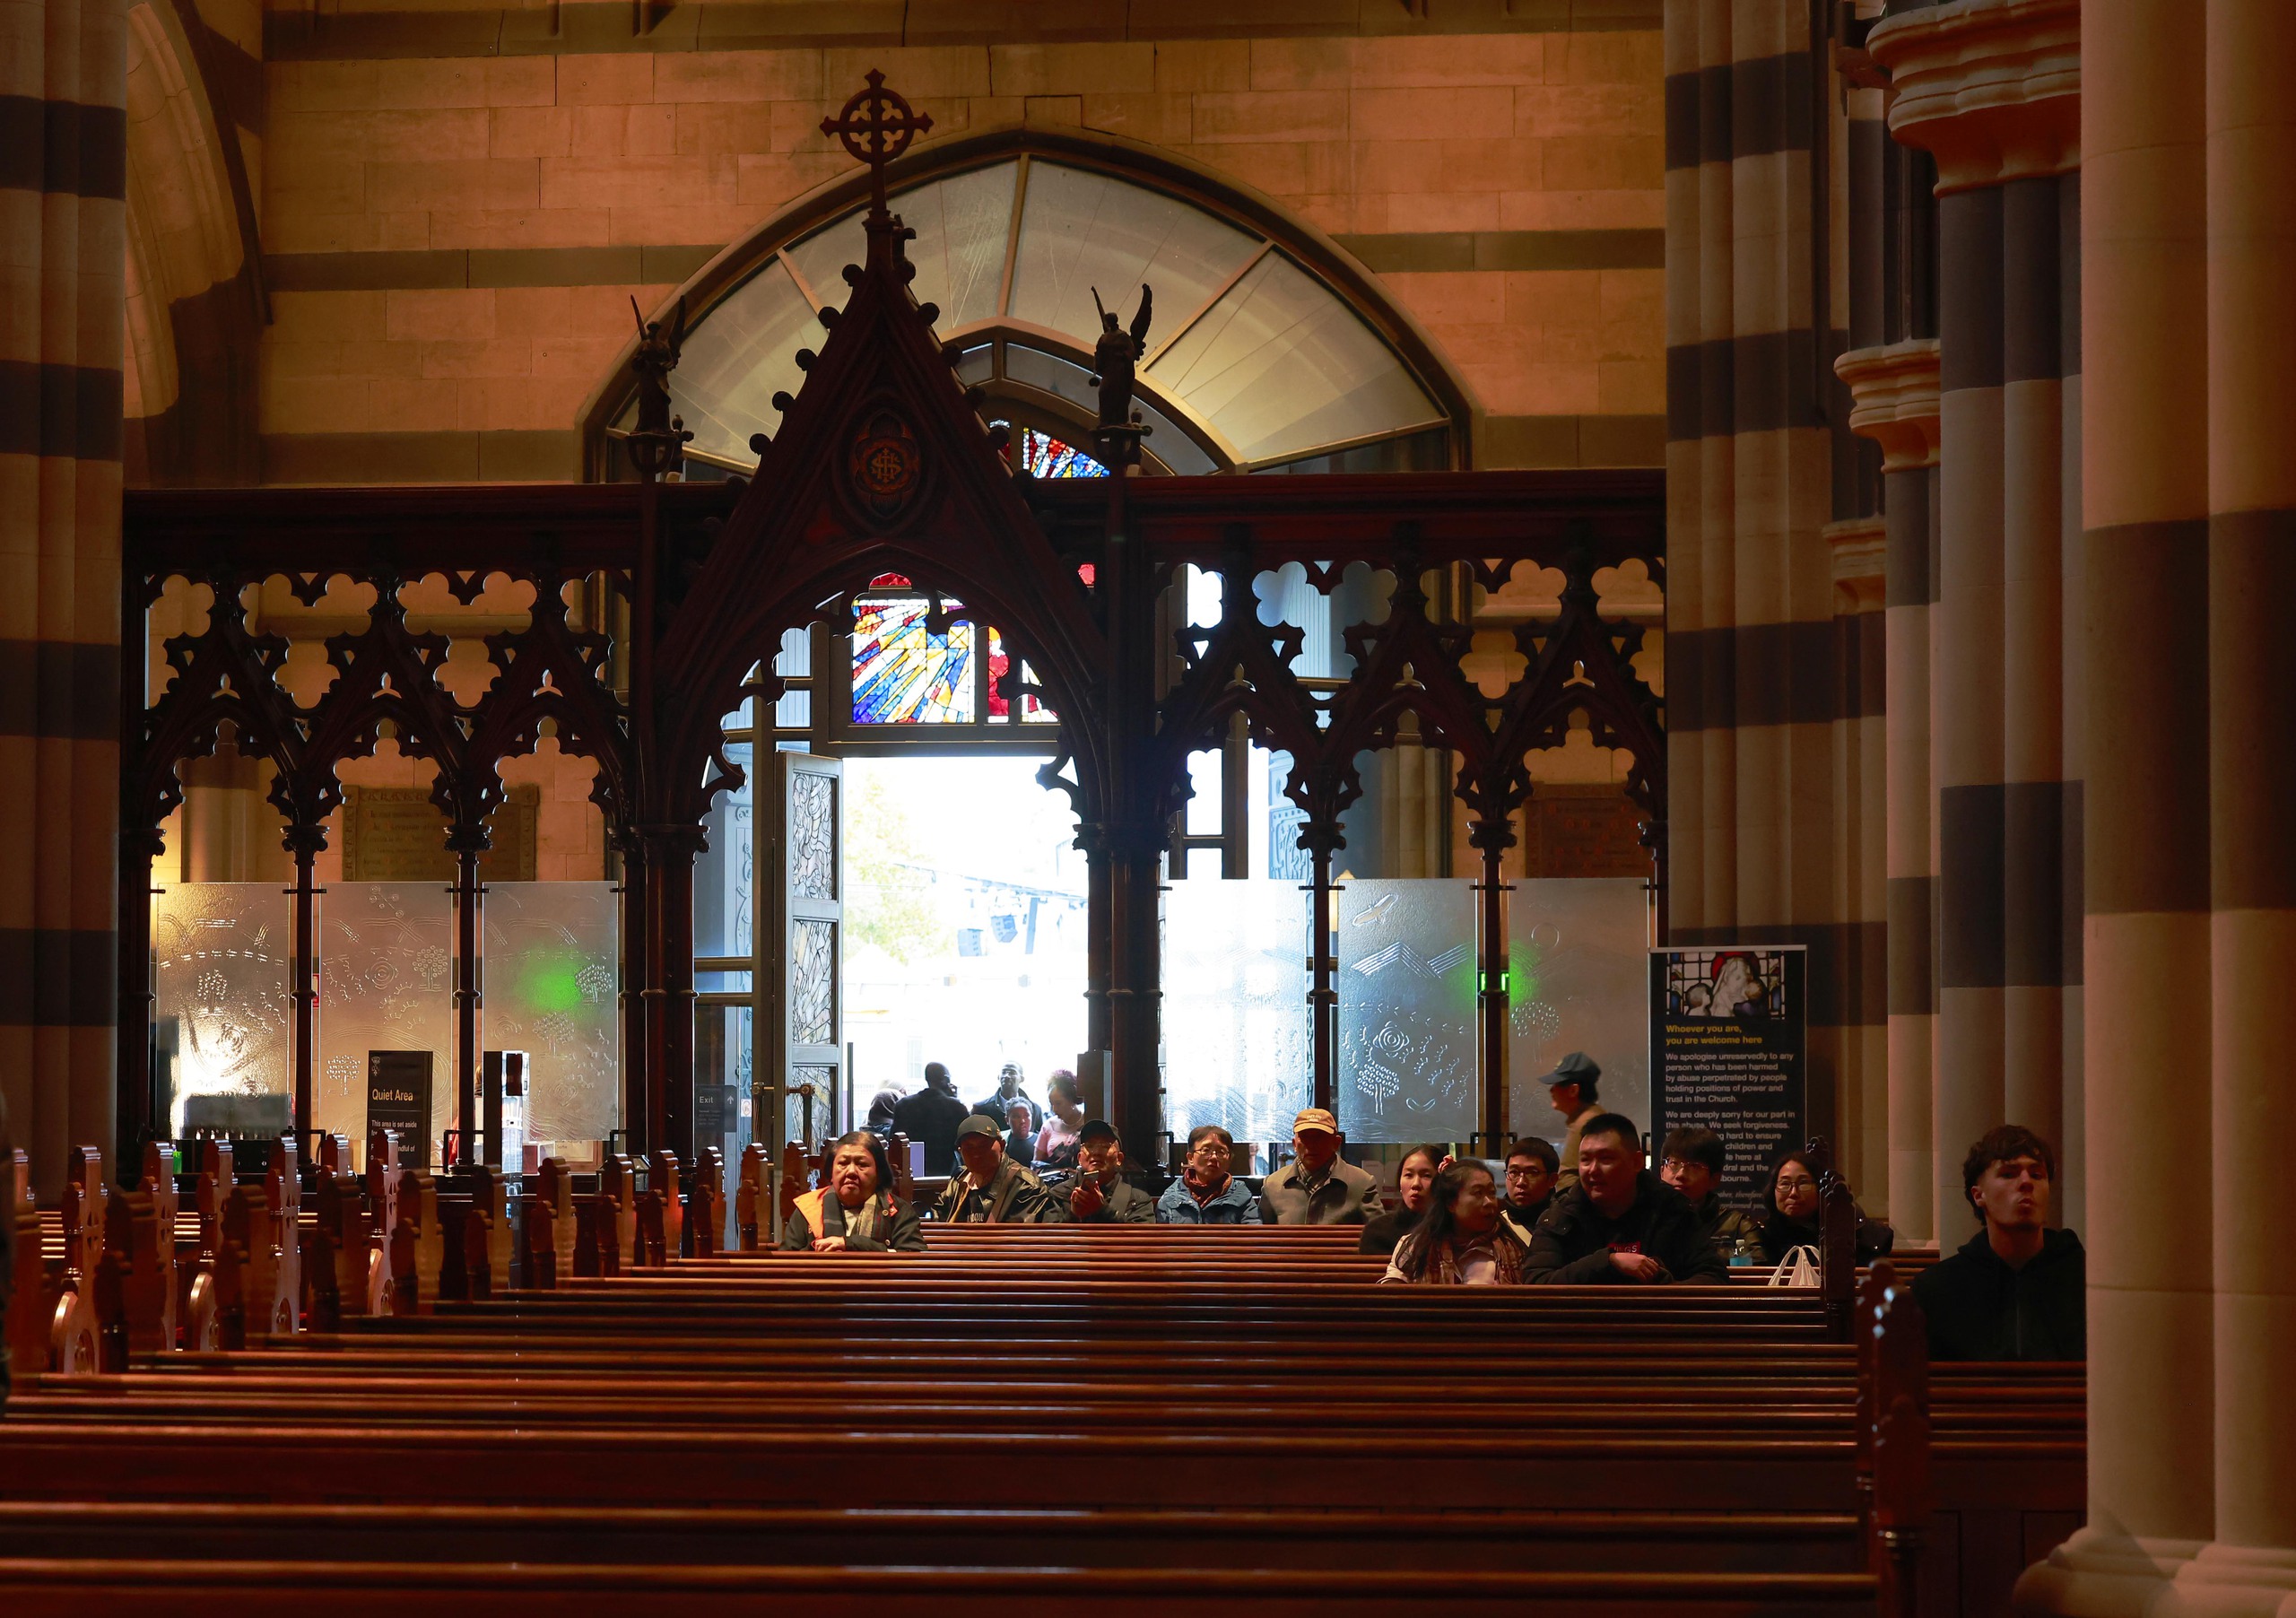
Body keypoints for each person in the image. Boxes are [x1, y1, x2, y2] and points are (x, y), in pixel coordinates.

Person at [1913, 1126, 2084, 1361]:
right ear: (1978, 1195)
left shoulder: (2083, 1278)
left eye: (2037, 1175)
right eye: (2009, 1174)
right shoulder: (1937, 1290)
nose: (2026, 1183)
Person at [1523, 1112, 1726, 1285]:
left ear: (1637, 1162)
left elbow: (1714, 1276)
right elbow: (1537, 1280)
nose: (1593, 1170)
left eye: (1606, 1159)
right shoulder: (1563, 1214)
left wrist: (1663, 1289)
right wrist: (1606, 1262)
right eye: (1585, 1160)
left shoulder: (1672, 1209)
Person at [1383, 1161, 1527, 1285]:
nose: (1489, 1202)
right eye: (1478, 1193)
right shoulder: (1416, 1246)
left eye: (1491, 1193)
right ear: (1451, 1203)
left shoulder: (1511, 1247)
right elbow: (1393, 1293)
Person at [780, 1131, 926, 1254]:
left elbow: (913, 1258)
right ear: (831, 1172)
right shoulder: (809, 1208)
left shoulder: (898, 1211)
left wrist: (850, 1244)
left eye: (862, 1165)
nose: (851, 1172)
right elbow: (787, 1261)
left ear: (879, 1173)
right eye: (843, 1163)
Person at [1752, 1148, 1894, 1266]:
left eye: (1803, 1183)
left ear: (1821, 1188)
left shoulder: (1847, 1230)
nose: (1793, 1193)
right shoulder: (1762, 1236)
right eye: (1785, 1183)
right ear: (1773, 1189)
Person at [933, 1114, 1064, 1223]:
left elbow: (1020, 1238)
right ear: (960, 1152)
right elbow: (938, 1218)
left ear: (1002, 1146)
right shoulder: (960, 1181)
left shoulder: (1025, 1185)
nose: (976, 1154)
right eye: (969, 1148)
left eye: (984, 1146)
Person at [1258, 1108, 1380, 1225]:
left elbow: (1380, 1237)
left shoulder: (1361, 1183)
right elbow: (1262, 1238)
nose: (1312, 1145)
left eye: (1320, 1137)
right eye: (1305, 1137)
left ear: (1336, 1143)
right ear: (1295, 1144)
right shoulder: (1273, 1185)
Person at [1659, 1125, 1759, 1263]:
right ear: (1661, 1171)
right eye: (1674, 1163)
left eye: (1694, 1166)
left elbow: (1760, 1277)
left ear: (1714, 1179)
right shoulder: (1646, 1221)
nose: (1681, 1174)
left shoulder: (1739, 1227)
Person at [1051, 1120, 1155, 1223]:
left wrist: (1103, 1210)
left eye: (1105, 1146)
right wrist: (1074, 1216)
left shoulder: (1138, 1201)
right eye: (1089, 1146)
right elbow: (1048, 1237)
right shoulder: (1058, 1195)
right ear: (1079, 1158)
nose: (1096, 1152)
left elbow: (1139, 1239)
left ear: (1119, 1159)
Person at [1157, 1125, 1262, 1224]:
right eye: (1206, 1150)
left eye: (1221, 1152)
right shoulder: (1171, 1197)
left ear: (1230, 1159)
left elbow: (1255, 1237)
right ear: (1190, 1158)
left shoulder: (1242, 1196)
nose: (1214, 1157)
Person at [1359, 1144, 1441, 1257]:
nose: (1415, 1184)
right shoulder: (1378, 1231)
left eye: (1426, 1175)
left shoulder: (1455, 1229)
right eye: (1408, 1175)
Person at [891, 1063, 970, 1176]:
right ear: (945, 1079)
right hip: (945, 1170)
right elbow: (965, 1141)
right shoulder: (956, 1107)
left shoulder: (903, 1105)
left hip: (913, 1170)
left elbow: (894, 1139)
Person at [1544, 1052, 1605, 1193]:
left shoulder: (1586, 1124)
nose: (1552, 1090)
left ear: (1573, 1090)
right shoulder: (1589, 1117)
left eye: (1557, 1084)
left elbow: (1568, 1180)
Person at [1499, 1136, 1559, 1245]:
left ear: (1552, 1180)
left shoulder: (1564, 1222)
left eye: (1532, 1173)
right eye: (1514, 1172)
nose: (1521, 1182)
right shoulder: (1494, 1225)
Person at [1034, 1071, 1084, 1171]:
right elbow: (1036, 1166)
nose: (1054, 1110)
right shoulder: (1048, 1126)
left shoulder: (1090, 1121)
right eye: (1051, 1104)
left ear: (1072, 1099)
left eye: (1058, 1103)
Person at [970, 1062, 1037, 1132]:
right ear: (998, 1077)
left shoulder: (1034, 1109)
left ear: (1022, 1079)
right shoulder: (981, 1109)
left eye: (1012, 1073)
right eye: (1004, 1072)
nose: (1007, 1076)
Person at [1004, 1100, 1038, 1168]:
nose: (1022, 1121)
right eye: (1016, 1117)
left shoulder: (1041, 1141)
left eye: (1026, 1116)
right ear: (1007, 1120)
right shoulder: (1002, 1141)